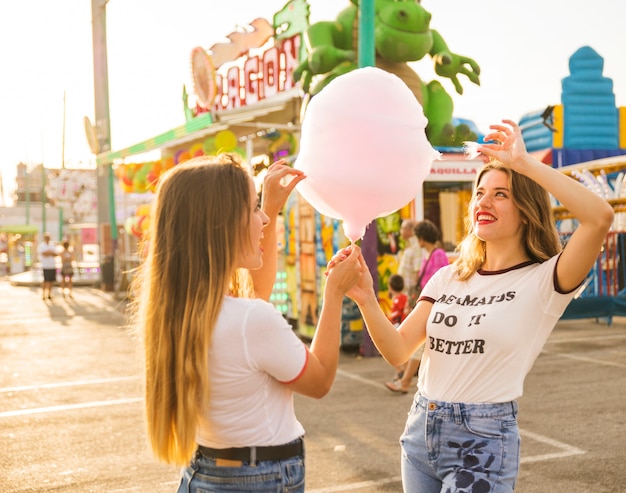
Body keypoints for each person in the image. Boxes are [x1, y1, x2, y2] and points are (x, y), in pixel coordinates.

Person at [340, 120, 614, 491]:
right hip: (421, 432)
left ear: (526, 208)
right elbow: (398, 349)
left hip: (481, 441)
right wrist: (365, 297)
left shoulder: (545, 280)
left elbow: (599, 218)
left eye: (500, 194)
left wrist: (524, 165)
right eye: (480, 192)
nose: (483, 201)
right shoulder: (448, 278)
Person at [133, 154, 362, 493]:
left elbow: (256, 295)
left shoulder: (181, 309)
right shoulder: (249, 320)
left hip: (206, 470)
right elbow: (320, 380)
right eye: (254, 209)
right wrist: (334, 293)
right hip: (259, 477)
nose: (265, 222)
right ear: (222, 224)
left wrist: (270, 205)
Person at [386, 219, 449, 394]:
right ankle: (406, 381)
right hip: (427, 304)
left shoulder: (438, 254)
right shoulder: (428, 255)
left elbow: (444, 281)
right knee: (424, 345)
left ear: (422, 238)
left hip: (436, 306)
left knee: (421, 345)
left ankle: (405, 381)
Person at [37, 232, 57, 300]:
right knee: (45, 280)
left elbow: (55, 253)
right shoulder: (41, 245)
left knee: (51, 281)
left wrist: (49, 253)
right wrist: (50, 253)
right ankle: (43, 294)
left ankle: (49, 294)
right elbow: (43, 253)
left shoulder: (52, 244)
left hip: (52, 265)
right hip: (45, 265)